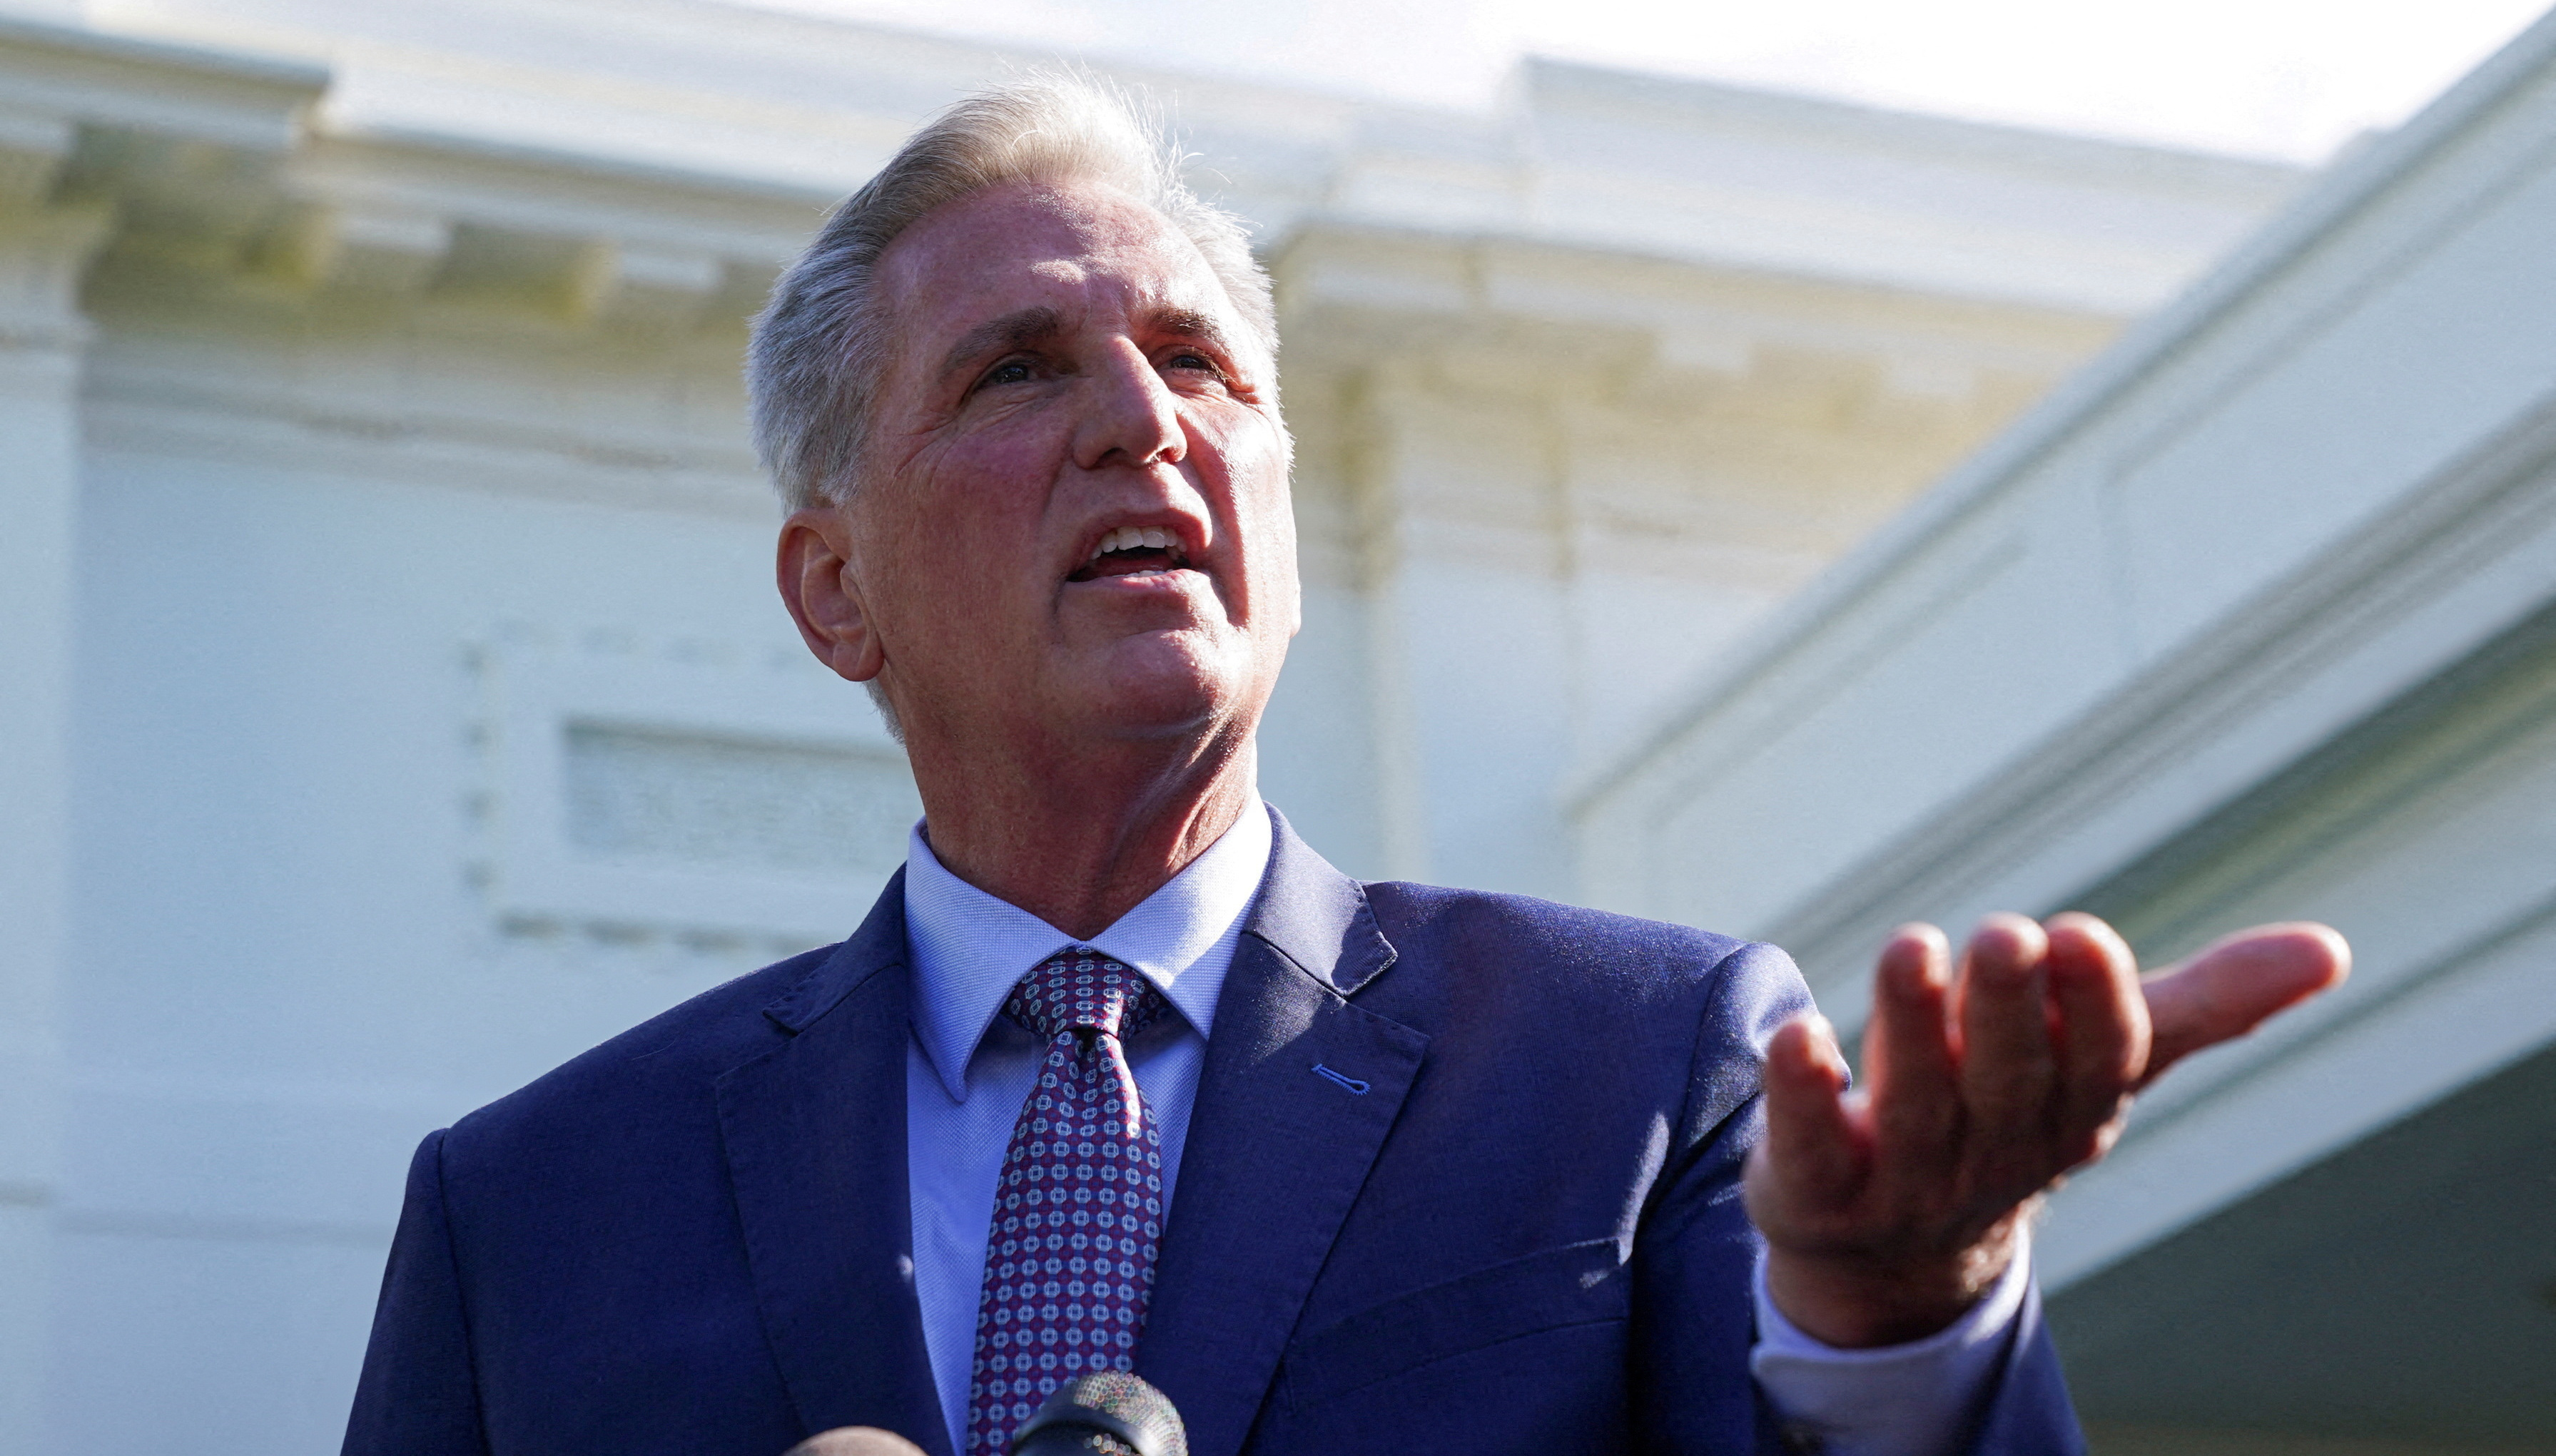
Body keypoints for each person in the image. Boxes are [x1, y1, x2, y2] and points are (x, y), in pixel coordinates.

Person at [340, 77, 2347, 1456]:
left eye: (1203, 362)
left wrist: (1900, 1335)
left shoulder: (1649, 1063)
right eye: (1019, 367)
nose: (1146, 420)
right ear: (834, 586)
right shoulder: (529, 1218)